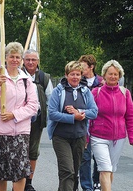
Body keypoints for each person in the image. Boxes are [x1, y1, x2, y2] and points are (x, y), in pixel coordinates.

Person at [0, 42, 39, 191]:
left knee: (19, 172)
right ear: (5, 58)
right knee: (0, 171)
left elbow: (33, 106)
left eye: (18, 57)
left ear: (21, 60)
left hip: (19, 132)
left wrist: (14, 115)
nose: (15, 60)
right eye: (11, 56)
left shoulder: (27, 80)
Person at [47, 61, 98, 191]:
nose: (75, 77)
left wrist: (79, 112)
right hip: (61, 137)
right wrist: (72, 118)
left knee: (74, 172)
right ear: (66, 75)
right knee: (67, 170)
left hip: (79, 137)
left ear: (81, 76)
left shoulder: (86, 91)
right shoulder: (58, 91)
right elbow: (52, 114)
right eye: (72, 74)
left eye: (77, 74)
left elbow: (94, 111)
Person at [89, 60, 133, 191]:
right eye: (110, 74)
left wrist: (131, 136)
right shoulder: (96, 93)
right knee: (105, 168)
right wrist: (86, 137)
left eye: (116, 74)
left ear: (119, 76)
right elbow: (89, 117)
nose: (113, 77)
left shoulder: (125, 93)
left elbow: (130, 117)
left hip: (118, 138)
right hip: (98, 137)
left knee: (111, 169)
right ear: (104, 75)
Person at [21, 49, 53, 191]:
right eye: (28, 59)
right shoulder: (17, 75)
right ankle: (18, 181)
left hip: (36, 121)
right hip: (19, 120)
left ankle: (28, 182)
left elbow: (50, 99)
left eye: (33, 59)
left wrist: (45, 117)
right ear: (23, 60)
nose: (30, 62)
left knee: (33, 152)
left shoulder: (44, 77)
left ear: (38, 61)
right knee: (19, 151)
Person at [78, 54, 103, 191]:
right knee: (85, 157)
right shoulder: (78, 81)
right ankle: (87, 187)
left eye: (83, 67)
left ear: (91, 67)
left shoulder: (101, 82)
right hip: (84, 124)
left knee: (99, 156)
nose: (80, 70)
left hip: (99, 124)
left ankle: (97, 182)